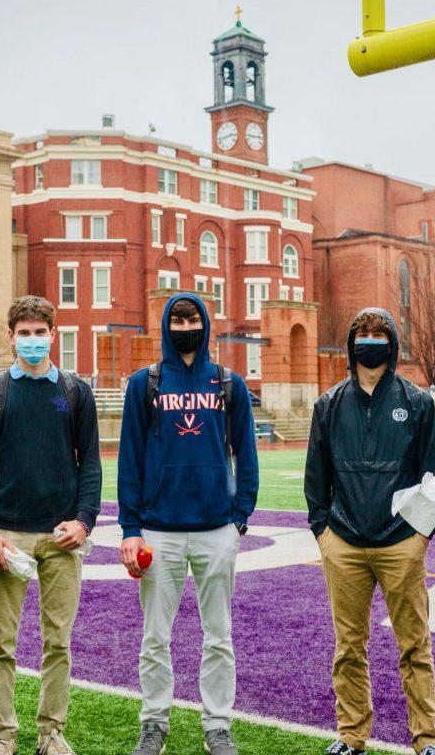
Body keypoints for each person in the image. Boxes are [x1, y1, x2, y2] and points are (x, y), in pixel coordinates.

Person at [117, 293, 258, 755]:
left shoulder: (228, 383)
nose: (184, 326)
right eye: (176, 319)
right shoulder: (146, 383)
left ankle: (217, 725)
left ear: (205, 323)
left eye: (191, 318)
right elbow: (130, 460)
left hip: (217, 529)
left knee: (218, 636)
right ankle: (154, 721)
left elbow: (247, 453)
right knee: (155, 637)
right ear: (164, 324)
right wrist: (130, 527)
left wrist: (239, 518)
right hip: (159, 530)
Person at [304, 308, 435, 755]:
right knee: (348, 646)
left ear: (392, 342)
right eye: (363, 333)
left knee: (415, 645)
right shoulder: (329, 404)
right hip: (344, 544)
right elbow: (316, 478)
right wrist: (323, 533)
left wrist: (419, 536)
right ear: (351, 342)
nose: (370, 340)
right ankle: (351, 735)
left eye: (379, 333)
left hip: (400, 545)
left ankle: (426, 739)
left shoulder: (417, 401)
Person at [0, 295, 102, 755]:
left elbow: (92, 465)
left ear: (53, 334)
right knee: (1, 644)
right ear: (10, 337)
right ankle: (3, 735)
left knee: (57, 642)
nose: (32, 340)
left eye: (39, 332)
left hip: (62, 536)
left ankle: (51, 733)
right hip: (8, 536)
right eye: (23, 333)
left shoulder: (75, 391)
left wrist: (84, 520)